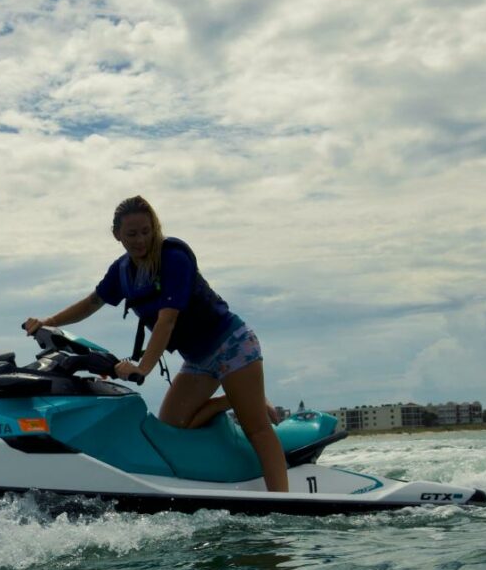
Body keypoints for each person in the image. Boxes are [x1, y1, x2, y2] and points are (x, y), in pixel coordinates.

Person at [21, 195, 289, 492]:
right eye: (132, 234)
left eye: (146, 232)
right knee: (173, 425)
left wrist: (142, 368)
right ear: (117, 235)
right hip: (199, 358)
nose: (140, 240)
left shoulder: (173, 257)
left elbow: (167, 320)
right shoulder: (122, 271)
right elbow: (92, 302)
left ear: (155, 228)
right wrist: (50, 322)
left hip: (231, 344)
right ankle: (237, 399)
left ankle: (284, 501)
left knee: (257, 429)